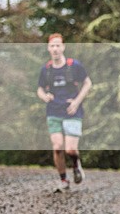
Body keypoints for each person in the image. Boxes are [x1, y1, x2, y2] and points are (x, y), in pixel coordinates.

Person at [37, 34, 93, 190]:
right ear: (48, 48)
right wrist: (44, 96)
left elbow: (88, 83)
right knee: (57, 147)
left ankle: (76, 165)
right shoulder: (46, 70)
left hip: (72, 111)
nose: (55, 49)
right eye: (52, 46)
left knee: (70, 149)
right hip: (53, 111)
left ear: (63, 47)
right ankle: (63, 180)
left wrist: (77, 102)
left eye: (58, 45)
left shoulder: (74, 66)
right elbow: (40, 89)